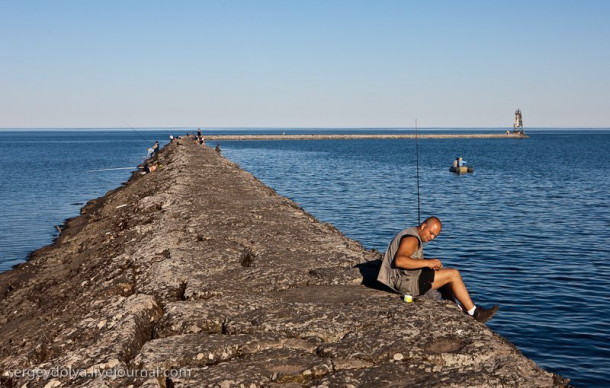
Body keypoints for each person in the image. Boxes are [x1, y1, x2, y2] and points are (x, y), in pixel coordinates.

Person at [377, 216, 499, 323]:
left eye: (435, 235)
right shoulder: (412, 239)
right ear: (423, 226)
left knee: (441, 273)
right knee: (453, 274)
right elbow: (400, 261)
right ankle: (474, 312)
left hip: (402, 278)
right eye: (431, 233)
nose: (432, 237)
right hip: (403, 284)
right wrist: (428, 263)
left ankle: (455, 307)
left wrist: (429, 265)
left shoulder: (411, 232)